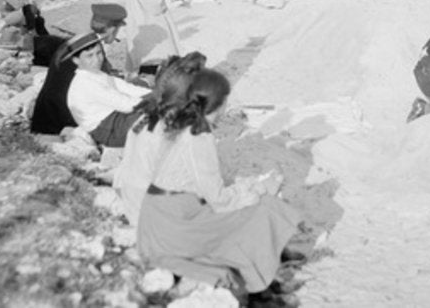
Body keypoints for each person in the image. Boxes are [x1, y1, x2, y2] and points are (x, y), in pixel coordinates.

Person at [120, 59, 301, 297]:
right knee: (264, 208)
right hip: (163, 220)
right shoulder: (190, 133)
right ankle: (259, 277)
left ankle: (263, 264)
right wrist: (258, 188)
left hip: (144, 208)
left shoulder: (155, 118)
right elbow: (217, 197)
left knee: (246, 204)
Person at [30, 31, 150, 146]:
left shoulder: (80, 60)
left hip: (54, 116)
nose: (97, 59)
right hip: (101, 127)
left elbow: (122, 87)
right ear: (76, 60)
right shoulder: (84, 80)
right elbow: (125, 104)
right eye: (90, 56)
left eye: (99, 54)